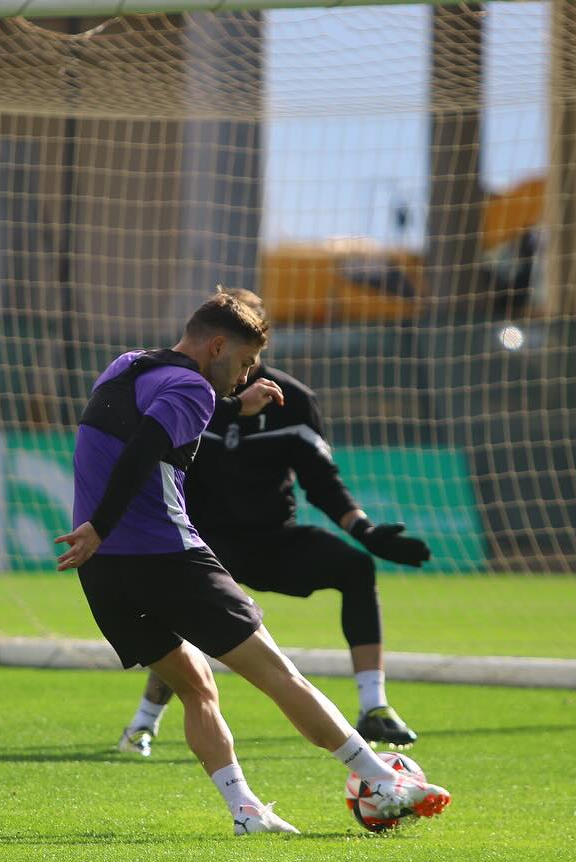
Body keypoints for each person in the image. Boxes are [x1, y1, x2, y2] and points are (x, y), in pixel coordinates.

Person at [56, 288, 450, 834]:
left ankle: (246, 810)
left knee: (197, 688)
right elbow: (145, 448)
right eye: (243, 363)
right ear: (217, 346)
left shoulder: (129, 366)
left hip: (103, 572)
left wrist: (236, 407)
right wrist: (102, 523)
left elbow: (162, 415)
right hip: (167, 556)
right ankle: (380, 779)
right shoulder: (194, 387)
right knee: (280, 675)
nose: (245, 375)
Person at [116, 289, 429, 758]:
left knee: (355, 567)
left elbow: (322, 481)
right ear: (221, 342)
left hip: (273, 541)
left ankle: (375, 707)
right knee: (184, 610)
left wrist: (363, 530)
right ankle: (143, 725)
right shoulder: (184, 391)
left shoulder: (294, 400)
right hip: (202, 540)